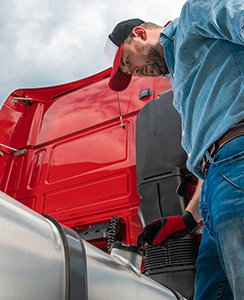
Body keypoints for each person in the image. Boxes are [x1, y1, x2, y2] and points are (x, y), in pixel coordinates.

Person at [104, 1, 244, 299]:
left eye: (129, 62)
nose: (136, 74)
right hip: (217, 181)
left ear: (140, 34)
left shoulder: (193, 15)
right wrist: (189, 218)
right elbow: (210, 154)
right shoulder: (179, 84)